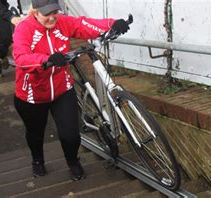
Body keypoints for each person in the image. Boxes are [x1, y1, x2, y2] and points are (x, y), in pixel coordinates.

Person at [12, 0, 130, 181]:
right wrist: (46, 60)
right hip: (32, 94)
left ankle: (73, 161)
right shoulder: (24, 28)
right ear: (35, 13)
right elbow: (21, 57)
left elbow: (83, 24)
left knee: (71, 134)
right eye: (46, 14)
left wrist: (111, 24)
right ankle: (37, 160)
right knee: (35, 132)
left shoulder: (62, 22)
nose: (52, 17)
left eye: (54, 12)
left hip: (62, 88)